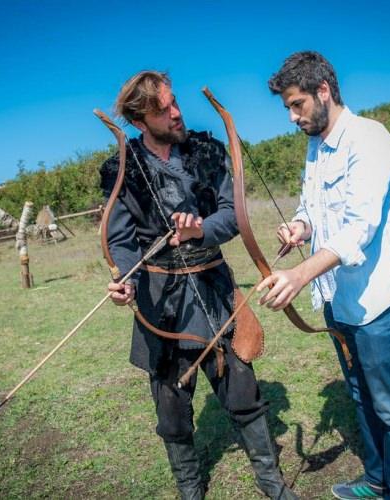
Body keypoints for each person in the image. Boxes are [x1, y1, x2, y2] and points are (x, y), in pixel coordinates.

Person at [100, 70, 296, 500]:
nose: (176, 112)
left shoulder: (205, 150)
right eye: (163, 109)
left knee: (242, 388)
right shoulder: (122, 169)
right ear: (139, 121)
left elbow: (232, 216)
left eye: (174, 102)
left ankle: (271, 482)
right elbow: (120, 240)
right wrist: (127, 280)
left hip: (213, 288)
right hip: (160, 301)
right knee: (171, 409)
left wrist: (199, 230)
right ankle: (190, 487)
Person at [259, 52, 390, 500]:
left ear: (323, 91)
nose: (292, 117)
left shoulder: (370, 139)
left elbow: (359, 228)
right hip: (339, 301)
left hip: (380, 302)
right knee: (361, 397)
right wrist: (299, 227)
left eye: (297, 105)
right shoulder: (316, 146)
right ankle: (375, 481)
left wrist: (298, 275)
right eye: (288, 108)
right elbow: (313, 209)